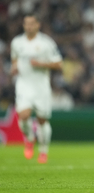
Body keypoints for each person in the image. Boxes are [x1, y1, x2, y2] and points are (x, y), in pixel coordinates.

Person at [10, 15, 63, 163]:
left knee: (42, 120)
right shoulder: (17, 42)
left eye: (32, 24)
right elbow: (15, 60)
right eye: (26, 24)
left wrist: (41, 64)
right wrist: (14, 68)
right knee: (23, 115)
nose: (29, 27)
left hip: (41, 86)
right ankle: (29, 138)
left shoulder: (46, 43)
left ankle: (43, 151)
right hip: (24, 85)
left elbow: (59, 64)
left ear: (38, 25)